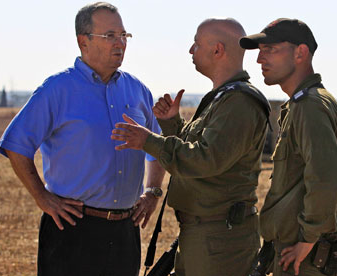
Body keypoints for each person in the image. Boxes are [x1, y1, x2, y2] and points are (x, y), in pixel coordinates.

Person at [0, 2, 165, 276]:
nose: (120, 42)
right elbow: (16, 145)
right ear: (82, 41)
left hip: (125, 232)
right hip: (71, 230)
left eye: (124, 35)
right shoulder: (57, 89)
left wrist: (153, 192)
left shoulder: (137, 90)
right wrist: (42, 197)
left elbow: (158, 146)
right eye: (110, 35)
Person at [111, 18, 271, 276]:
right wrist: (172, 123)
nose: (190, 51)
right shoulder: (224, 98)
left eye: (196, 44)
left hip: (220, 240)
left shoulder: (239, 102)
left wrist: (147, 140)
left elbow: (205, 160)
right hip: (206, 235)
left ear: (217, 50)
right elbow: (199, 150)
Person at [239, 18, 337, 276]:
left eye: (270, 50)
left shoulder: (310, 106)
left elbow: (327, 178)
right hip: (295, 251)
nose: (260, 60)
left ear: (300, 52)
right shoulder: (301, 104)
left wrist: (309, 239)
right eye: (260, 51)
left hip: (304, 257)